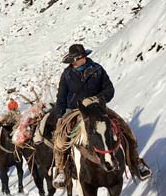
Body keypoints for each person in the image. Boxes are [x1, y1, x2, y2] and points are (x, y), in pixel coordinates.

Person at [53, 43, 151, 187]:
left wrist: (98, 98)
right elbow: (61, 96)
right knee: (60, 138)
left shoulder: (97, 69)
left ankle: (136, 162)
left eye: (82, 56)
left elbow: (109, 89)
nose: (81, 59)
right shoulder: (67, 75)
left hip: (97, 107)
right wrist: (60, 114)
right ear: (72, 60)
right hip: (75, 110)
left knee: (125, 129)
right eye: (78, 58)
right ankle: (61, 170)